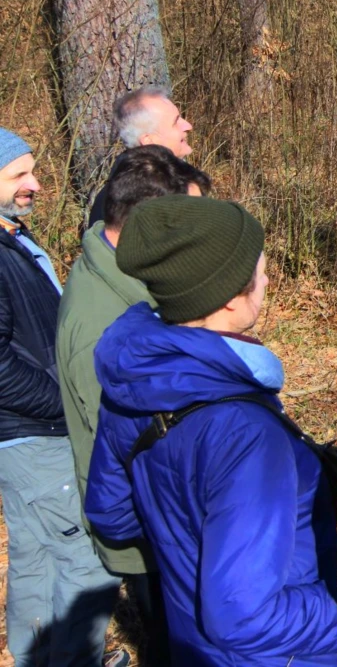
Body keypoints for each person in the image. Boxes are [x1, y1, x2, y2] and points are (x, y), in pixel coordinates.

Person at [83, 195, 337, 666]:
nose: (268, 280)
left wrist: (189, 547)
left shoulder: (137, 377)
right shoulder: (247, 433)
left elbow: (111, 513)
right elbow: (244, 619)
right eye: (261, 270)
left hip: (190, 641)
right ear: (232, 295)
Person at [57, 146, 210, 666]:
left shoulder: (126, 277)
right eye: (189, 221)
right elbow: (130, 452)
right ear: (153, 224)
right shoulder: (101, 328)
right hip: (150, 534)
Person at [0, 129, 127, 666]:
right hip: (35, 436)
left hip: (24, 441)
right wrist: (65, 403)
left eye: (33, 170)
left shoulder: (12, 240)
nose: (35, 184)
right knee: (86, 564)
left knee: (35, 556)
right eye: (18, 175)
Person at [87, 87, 195, 227]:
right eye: (175, 122)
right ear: (149, 140)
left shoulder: (169, 183)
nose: (188, 126)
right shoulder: (143, 201)